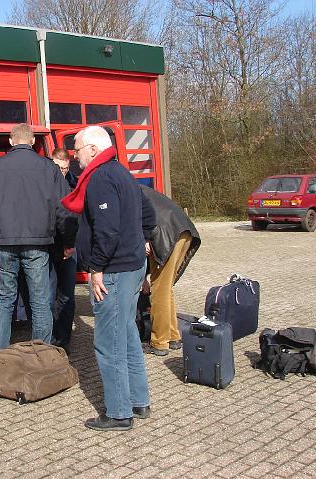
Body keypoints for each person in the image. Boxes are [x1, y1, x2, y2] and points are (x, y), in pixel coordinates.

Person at [63, 126, 150, 431]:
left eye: (77, 150)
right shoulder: (121, 172)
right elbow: (147, 214)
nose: (74, 157)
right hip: (132, 265)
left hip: (113, 271)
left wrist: (96, 266)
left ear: (94, 149)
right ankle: (139, 402)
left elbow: (108, 229)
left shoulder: (100, 178)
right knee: (126, 334)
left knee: (108, 343)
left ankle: (118, 413)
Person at [0, 124, 73, 363]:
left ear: (11, 141)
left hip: (4, 243)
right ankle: (41, 360)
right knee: (40, 301)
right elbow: (65, 208)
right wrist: (68, 241)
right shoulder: (48, 168)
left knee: (4, 300)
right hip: (38, 244)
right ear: (32, 142)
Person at [140, 185, 201, 356]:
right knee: (166, 289)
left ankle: (159, 342)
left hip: (165, 234)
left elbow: (138, 221)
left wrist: (144, 238)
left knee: (159, 290)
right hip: (183, 229)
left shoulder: (122, 191)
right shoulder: (139, 188)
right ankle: (173, 336)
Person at [49, 147, 78, 353]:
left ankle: (64, 341)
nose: (63, 172)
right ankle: (49, 340)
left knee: (67, 296)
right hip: (50, 247)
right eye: (59, 168)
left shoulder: (73, 182)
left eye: (66, 168)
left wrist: (72, 244)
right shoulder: (44, 182)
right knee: (48, 296)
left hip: (68, 248)